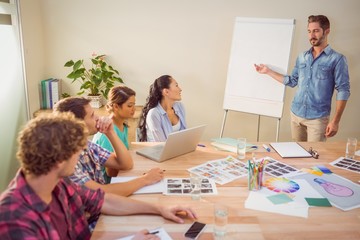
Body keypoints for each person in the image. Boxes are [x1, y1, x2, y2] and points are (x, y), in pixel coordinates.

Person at [0, 112, 196, 239]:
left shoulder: (58, 184)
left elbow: (104, 201)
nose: (80, 157)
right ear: (60, 160)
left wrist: (160, 209)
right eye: (77, 151)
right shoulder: (14, 219)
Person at [254, 15, 350, 142]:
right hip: (296, 115)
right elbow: (292, 81)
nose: (311, 35)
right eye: (309, 31)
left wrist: (335, 121)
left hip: (317, 119)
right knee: (297, 155)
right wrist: (268, 71)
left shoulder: (337, 59)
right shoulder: (302, 57)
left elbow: (343, 90)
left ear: (327, 31)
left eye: (316, 31)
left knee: (313, 158)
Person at [53, 97, 164, 197]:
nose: (97, 118)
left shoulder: (86, 144)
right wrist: (145, 179)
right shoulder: (65, 159)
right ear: (77, 124)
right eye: (92, 116)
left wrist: (110, 133)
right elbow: (101, 193)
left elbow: (125, 164)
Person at [92, 86, 163, 190]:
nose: (134, 109)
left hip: (120, 176)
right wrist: (140, 177)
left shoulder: (122, 126)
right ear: (116, 106)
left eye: (134, 105)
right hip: (109, 186)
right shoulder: (106, 134)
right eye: (129, 106)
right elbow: (111, 172)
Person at [138, 75, 186, 142]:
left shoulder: (179, 107)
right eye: (176, 85)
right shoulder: (154, 114)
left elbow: (183, 135)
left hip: (176, 150)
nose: (180, 89)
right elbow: (161, 144)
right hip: (158, 151)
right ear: (166, 92)